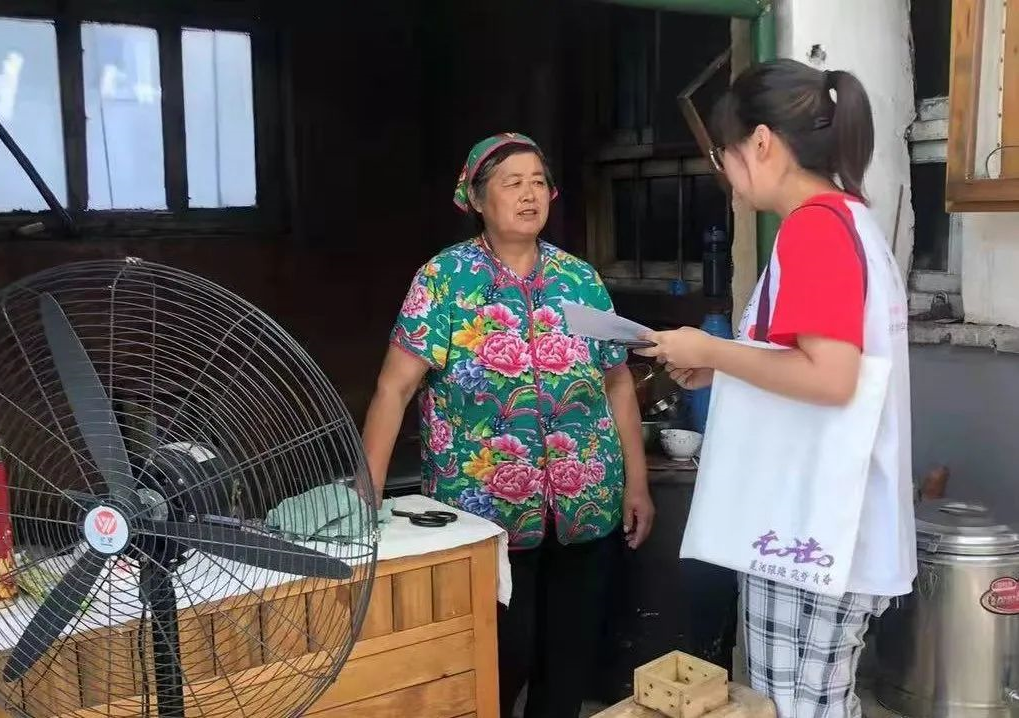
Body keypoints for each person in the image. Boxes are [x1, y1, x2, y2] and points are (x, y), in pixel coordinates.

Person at [636, 61, 914, 718]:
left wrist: (711, 350)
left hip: (813, 523)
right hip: (827, 520)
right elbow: (814, 361)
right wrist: (724, 366)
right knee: (816, 702)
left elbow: (831, 377)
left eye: (724, 156)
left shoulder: (813, 229)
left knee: (792, 708)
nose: (727, 176)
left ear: (761, 143)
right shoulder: (849, 220)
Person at [363, 132, 654, 718]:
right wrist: (366, 489)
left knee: (567, 665)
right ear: (476, 198)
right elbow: (395, 387)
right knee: (498, 661)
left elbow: (617, 381)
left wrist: (637, 483)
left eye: (539, 182)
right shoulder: (445, 279)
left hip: (584, 505)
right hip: (483, 514)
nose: (529, 195)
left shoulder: (579, 279)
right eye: (512, 183)